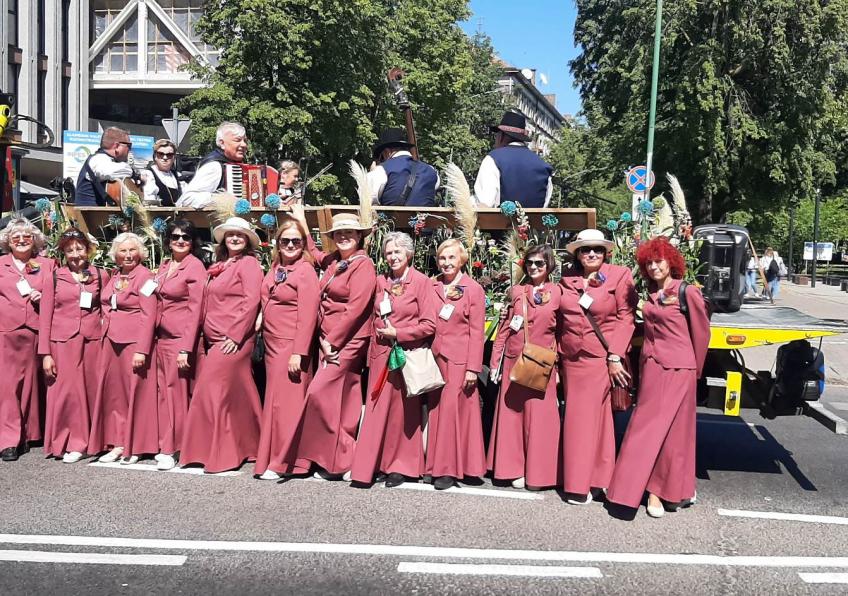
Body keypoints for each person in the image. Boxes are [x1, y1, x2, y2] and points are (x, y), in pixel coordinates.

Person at [607, 237, 710, 518]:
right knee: (657, 430)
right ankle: (660, 490)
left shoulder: (687, 292)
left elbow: (702, 334)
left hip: (679, 369)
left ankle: (658, 491)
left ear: (671, 263)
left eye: (659, 261)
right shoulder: (651, 293)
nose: (653, 267)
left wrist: (694, 370)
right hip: (652, 368)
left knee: (667, 433)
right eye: (649, 262)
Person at [287, 205, 376, 480]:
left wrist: (332, 342)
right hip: (329, 340)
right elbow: (314, 252)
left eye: (349, 233)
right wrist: (302, 220)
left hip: (347, 341)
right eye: (339, 234)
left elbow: (356, 308)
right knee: (342, 400)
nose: (343, 237)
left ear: (359, 237)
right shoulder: (335, 261)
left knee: (319, 393)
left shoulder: (364, 266)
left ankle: (343, 456)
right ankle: (336, 460)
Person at [350, 232, 437, 487]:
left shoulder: (422, 282)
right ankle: (370, 465)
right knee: (376, 410)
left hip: (405, 355)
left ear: (408, 254)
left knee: (402, 412)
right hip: (380, 354)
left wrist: (399, 333)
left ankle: (401, 466)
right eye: (389, 252)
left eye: (398, 252)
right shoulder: (379, 281)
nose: (393, 257)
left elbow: (429, 324)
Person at [558, 229, 637, 505]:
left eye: (598, 250)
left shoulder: (619, 275)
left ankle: (577, 485)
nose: (592, 254)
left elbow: (626, 318)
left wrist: (615, 355)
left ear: (606, 253)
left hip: (599, 359)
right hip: (571, 358)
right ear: (578, 254)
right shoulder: (568, 277)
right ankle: (600, 478)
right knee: (599, 422)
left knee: (580, 421)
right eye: (585, 249)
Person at [180, 217, 264, 473]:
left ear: (248, 239)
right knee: (237, 394)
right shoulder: (220, 265)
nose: (235, 238)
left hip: (233, 340)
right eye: (230, 235)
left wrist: (236, 336)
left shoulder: (249, 264)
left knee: (211, 390)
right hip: (215, 338)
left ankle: (220, 453)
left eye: (240, 235)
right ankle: (251, 445)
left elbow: (251, 302)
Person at [487, 244, 562, 490]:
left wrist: (559, 365)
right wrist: (496, 361)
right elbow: (505, 328)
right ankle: (513, 468)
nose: (533, 267)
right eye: (529, 263)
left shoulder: (559, 292)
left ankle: (539, 474)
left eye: (539, 263)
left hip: (542, 362)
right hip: (514, 359)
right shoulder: (517, 291)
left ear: (549, 265)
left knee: (541, 418)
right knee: (512, 416)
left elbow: (563, 332)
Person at [255, 219, 319, 480]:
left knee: (289, 406)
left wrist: (299, 352)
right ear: (277, 244)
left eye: (296, 241)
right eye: (285, 241)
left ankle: (288, 463)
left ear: (303, 244)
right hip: (272, 346)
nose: (290, 245)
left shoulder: (305, 271)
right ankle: (272, 456)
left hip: (290, 347)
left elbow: (308, 316)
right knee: (275, 404)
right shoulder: (276, 267)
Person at [39, 228, 108, 463]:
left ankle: (94, 441)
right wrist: (45, 353)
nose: (75, 254)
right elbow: (45, 317)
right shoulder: (55, 277)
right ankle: (71, 441)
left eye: (79, 248)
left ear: (88, 250)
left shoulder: (101, 275)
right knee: (68, 392)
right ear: (63, 253)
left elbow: (107, 309)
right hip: (63, 341)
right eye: (70, 250)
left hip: (92, 340)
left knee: (89, 391)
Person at [88, 233, 157, 465]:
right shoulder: (114, 276)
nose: (128, 255)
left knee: (136, 393)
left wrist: (142, 349)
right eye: (123, 251)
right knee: (115, 396)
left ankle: (136, 444)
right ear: (115, 255)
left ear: (140, 253)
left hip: (133, 342)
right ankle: (118, 442)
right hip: (110, 341)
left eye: (132, 250)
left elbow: (149, 316)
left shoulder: (146, 277)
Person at [426, 239, 487, 490]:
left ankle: (449, 469)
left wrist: (474, 367)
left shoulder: (473, 289)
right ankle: (434, 465)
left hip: (460, 360)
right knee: (437, 412)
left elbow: (476, 332)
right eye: (442, 258)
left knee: (454, 413)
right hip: (435, 357)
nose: (446, 263)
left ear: (462, 260)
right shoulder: (432, 285)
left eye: (451, 258)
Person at [151, 220, 206, 471]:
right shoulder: (164, 266)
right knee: (165, 395)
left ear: (193, 241)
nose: (181, 241)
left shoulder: (194, 267)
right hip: (162, 338)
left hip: (179, 340)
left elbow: (196, 310)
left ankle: (175, 447)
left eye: (186, 236)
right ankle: (167, 442)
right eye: (175, 237)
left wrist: (186, 347)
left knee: (177, 396)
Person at [0, 217, 55, 461]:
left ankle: (31, 433)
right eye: (16, 237)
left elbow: (57, 295)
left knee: (34, 384)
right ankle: (9, 440)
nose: (22, 240)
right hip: (6, 332)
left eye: (27, 237)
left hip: (36, 330)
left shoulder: (47, 264)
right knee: (8, 387)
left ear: (35, 241)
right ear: (8, 242)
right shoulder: (0, 264)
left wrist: (41, 295)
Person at [473, 111, 553, 209]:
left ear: (501, 136)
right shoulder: (544, 166)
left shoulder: (493, 159)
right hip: (534, 224)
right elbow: (544, 204)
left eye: (496, 135)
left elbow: (484, 203)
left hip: (498, 224)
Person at [177, 122, 248, 208]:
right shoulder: (214, 166)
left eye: (245, 141)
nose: (244, 144)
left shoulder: (238, 164)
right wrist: (221, 199)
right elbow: (188, 198)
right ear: (222, 143)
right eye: (237, 140)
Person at [366, 128, 440, 206]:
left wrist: (372, 172)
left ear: (387, 152)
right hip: (426, 218)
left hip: (393, 218)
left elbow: (367, 201)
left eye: (381, 157)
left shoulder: (381, 170)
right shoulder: (432, 171)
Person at [74, 127, 135, 206]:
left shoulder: (107, 160)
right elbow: (110, 172)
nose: (129, 150)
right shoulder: (98, 159)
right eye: (129, 146)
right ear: (117, 146)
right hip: (90, 216)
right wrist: (134, 174)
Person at [143, 139, 183, 206]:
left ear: (174, 158)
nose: (165, 158)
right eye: (160, 154)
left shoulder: (178, 176)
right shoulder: (148, 175)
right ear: (155, 156)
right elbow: (149, 202)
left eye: (169, 155)